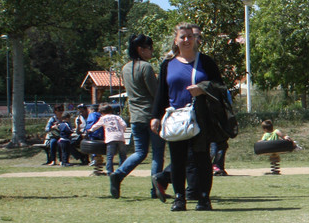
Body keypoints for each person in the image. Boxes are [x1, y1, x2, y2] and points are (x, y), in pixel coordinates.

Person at [150, 23, 225, 211]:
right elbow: (161, 93)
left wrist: (202, 88)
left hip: (201, 117)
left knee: (201, 158)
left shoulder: (206, 62)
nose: (186, 40)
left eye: (190, 36)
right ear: (175, 40)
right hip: (176, 118)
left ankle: (203, 198)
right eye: (182, 37)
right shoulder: (168, 65)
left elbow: (220, 86)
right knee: (177, 159)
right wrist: (156, 116)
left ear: (195, 39)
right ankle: (179, 198)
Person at [110, 34, 165, 199]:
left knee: (140, 152)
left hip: (135, 117)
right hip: (151, 115)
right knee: (157, 154)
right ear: (140, 49)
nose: (151, 51)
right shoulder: (146, 67)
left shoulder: (125, 68)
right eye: (149, 48)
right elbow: (155, 93)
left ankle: (118, 174)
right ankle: (156, 188)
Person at [87, 104, 127, 184]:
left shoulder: (103, 118)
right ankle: (122, 171)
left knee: (110, 156)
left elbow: (96, 126)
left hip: (111, 138)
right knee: (122, 155)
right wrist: (122, 130)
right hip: (120, 137)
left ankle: (110, 172)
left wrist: (90, 130)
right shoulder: (117, 117)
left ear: (101, 112)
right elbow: (124, 125)